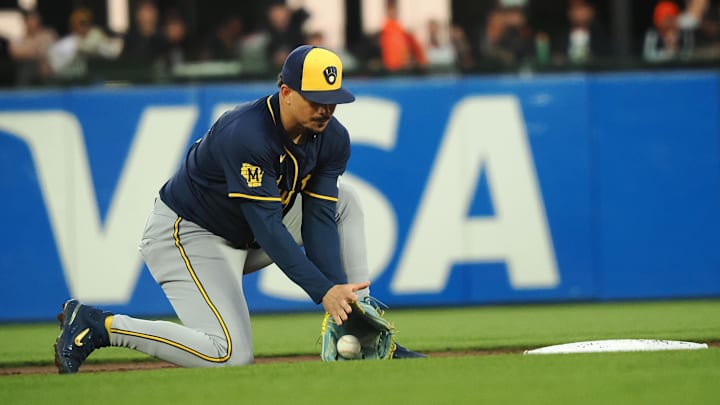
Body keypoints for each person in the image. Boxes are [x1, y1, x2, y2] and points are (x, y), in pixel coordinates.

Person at [53, 45, 425, 373]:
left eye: (332, 99)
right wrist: (322, 291)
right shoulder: (247, 134)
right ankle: (99, 325)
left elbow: (319, 218)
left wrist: (340, 303)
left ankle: (364, 331)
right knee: (230, 356)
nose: (326, 109)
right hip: (190, 235)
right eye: (315, 98)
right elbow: (269, 230)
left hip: (245, 235)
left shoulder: (332, 138)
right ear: (286, 92)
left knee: (346, 202)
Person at [8, 8, 57, 86]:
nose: (34, 22)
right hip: (26, 68)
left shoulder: (48, 34)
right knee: (29, 65)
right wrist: (35, 52)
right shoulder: (18, 37)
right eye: (31, 19)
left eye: (36, 19)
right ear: (25, 21)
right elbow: (15, 53)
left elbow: (54, 50)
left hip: (47, 67)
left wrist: (41, 57)